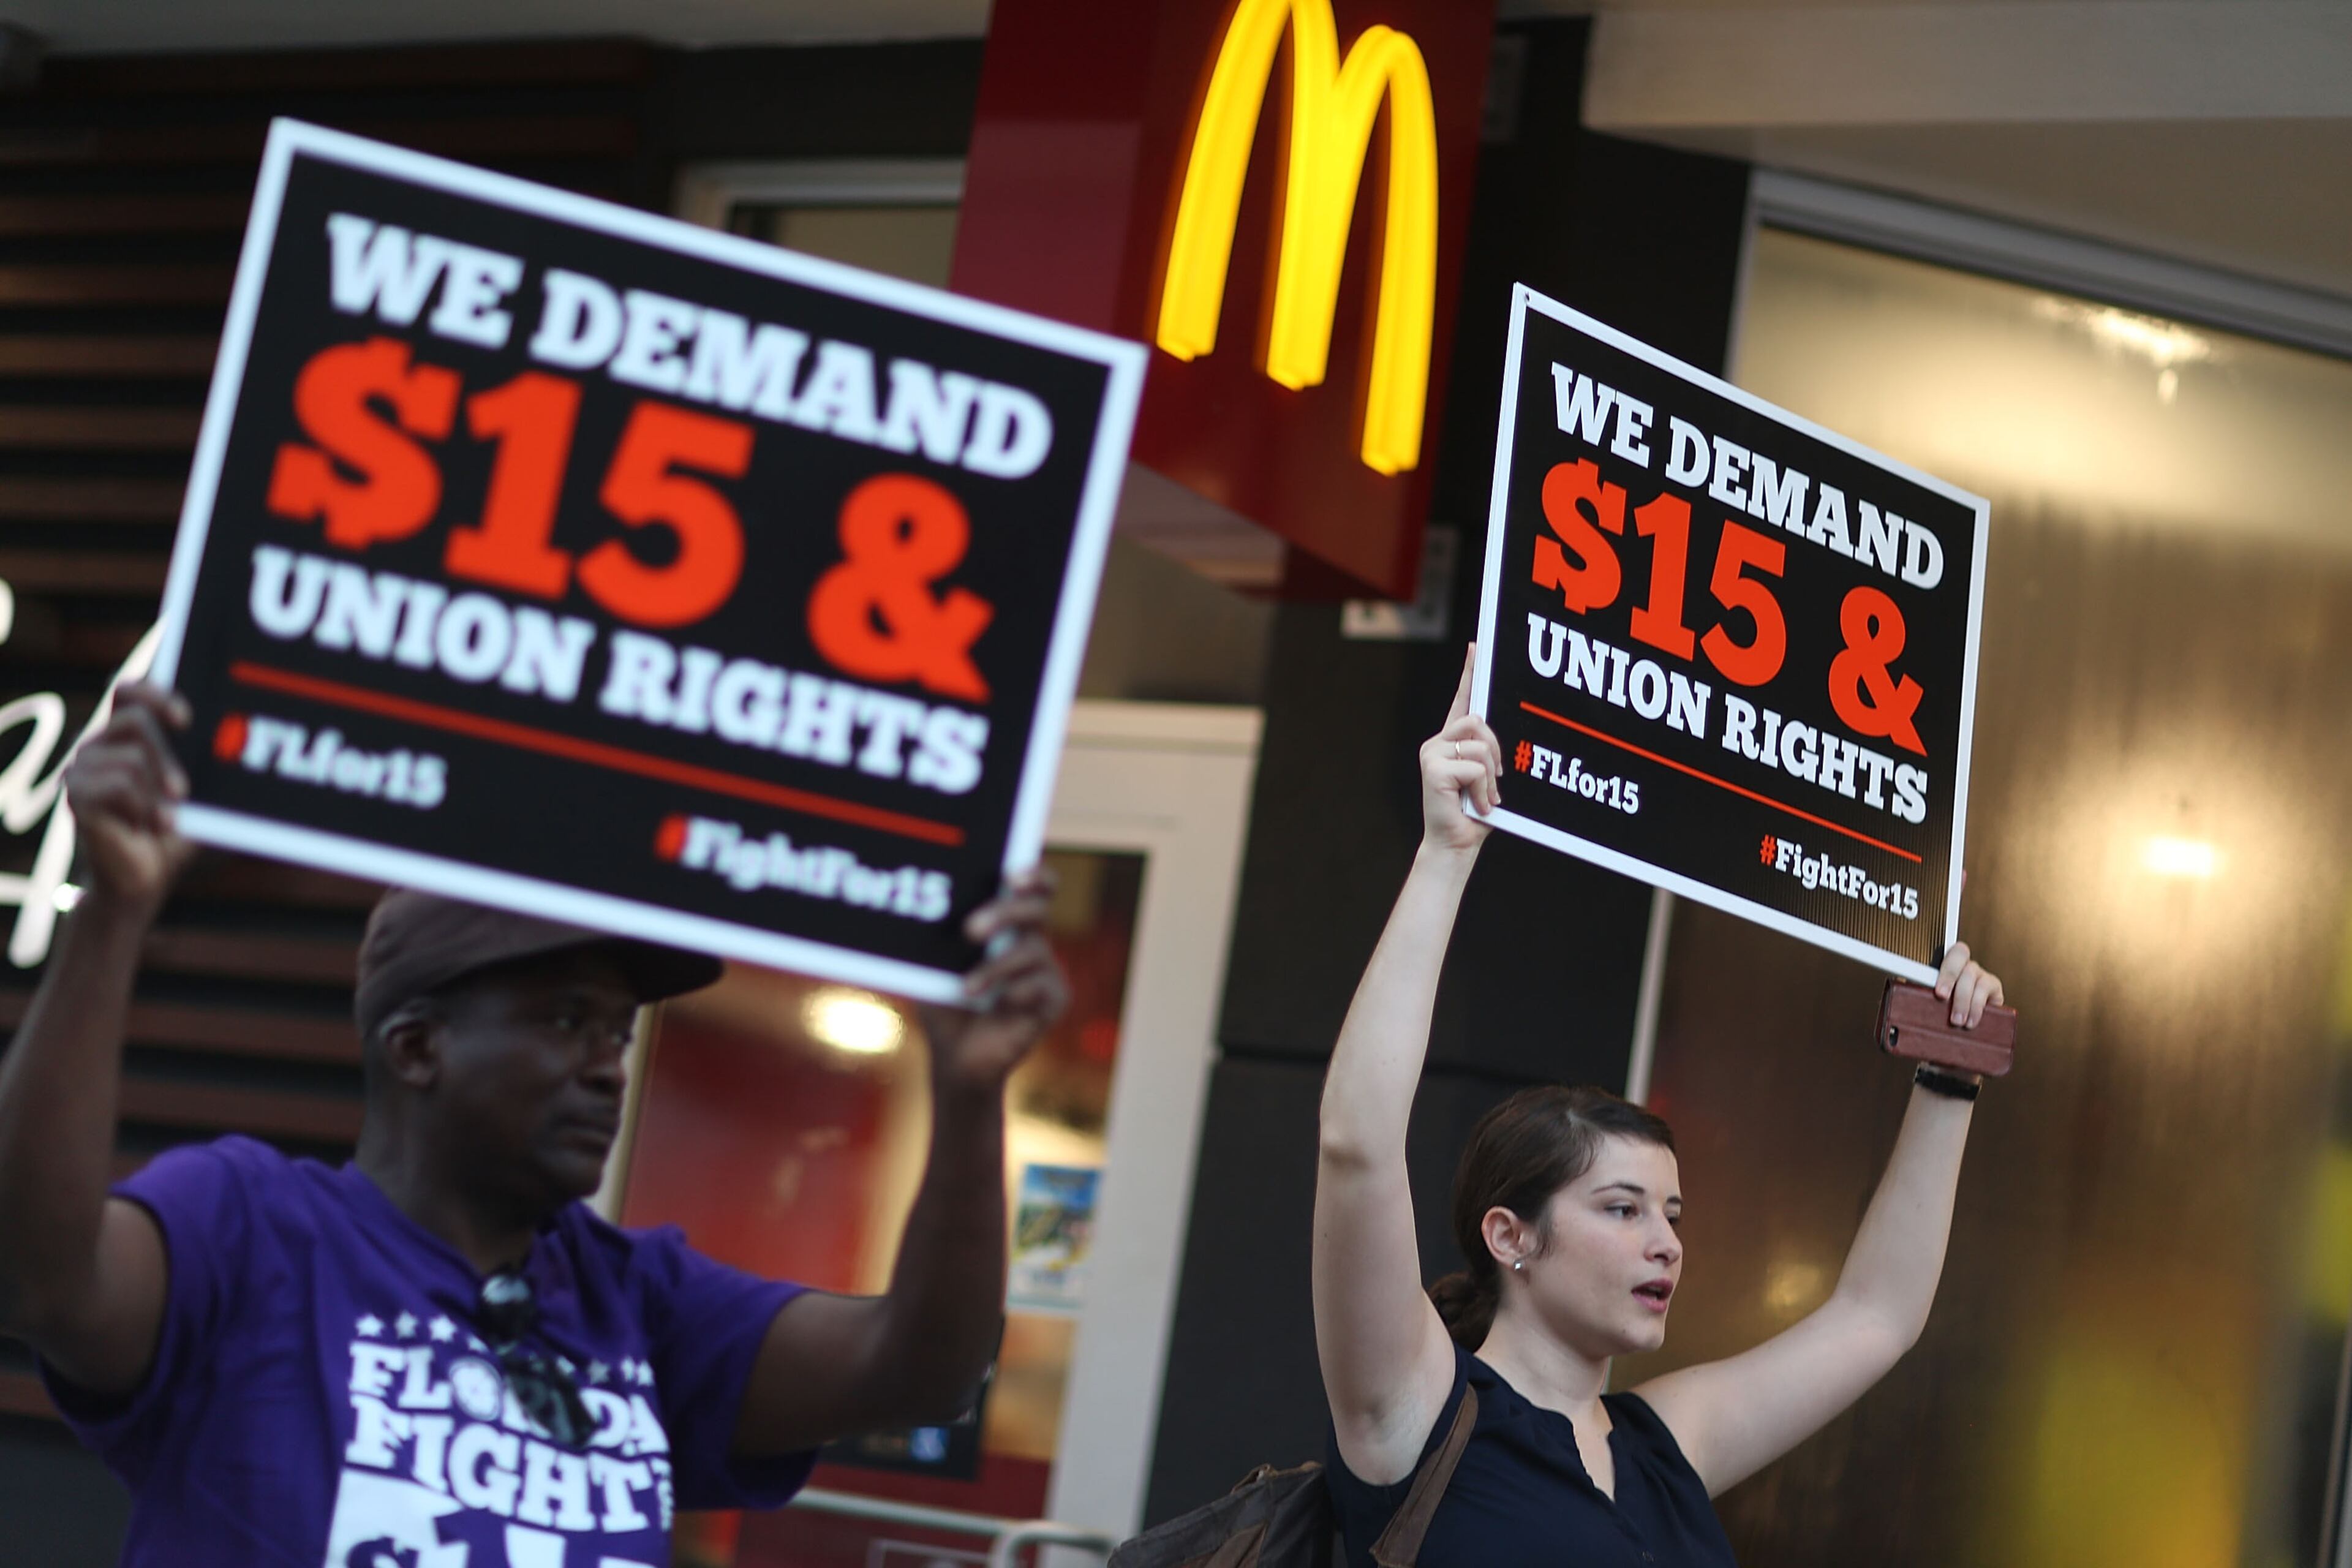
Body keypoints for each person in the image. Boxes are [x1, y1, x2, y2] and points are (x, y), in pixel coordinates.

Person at [0, 682, 1069, 1568]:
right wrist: (114, 916)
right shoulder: (250, 1231)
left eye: (618, 1032)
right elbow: (37, 1275)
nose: (609, 1069)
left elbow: (919, 1366)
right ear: (419, 1048)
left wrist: (970, 1099)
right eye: (568, 1022)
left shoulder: (643, 1304)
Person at [1313, 652, 2005, 1567]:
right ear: (1510, 1235)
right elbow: (1358, 1147)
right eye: (1623, 1209)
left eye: (1672, 1214)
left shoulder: (1661, 1446)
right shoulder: (1414, 1410)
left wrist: (1950, 1070)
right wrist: (1445, 856)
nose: (1668, 1243)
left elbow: (1876, 1315)